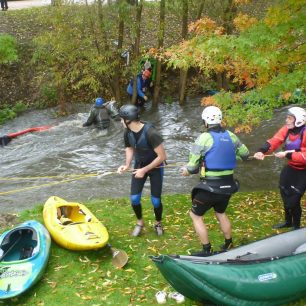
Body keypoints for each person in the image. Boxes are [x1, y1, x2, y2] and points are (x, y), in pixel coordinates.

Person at [181, 106, 249, 256]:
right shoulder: (231, 136)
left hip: (210, 188)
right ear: (220, 120)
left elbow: (192, 167)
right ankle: (229, 243)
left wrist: (186, 170)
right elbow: (245, 154)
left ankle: (207, 249)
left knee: (195, 216)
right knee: (220, 213)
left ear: (205, 122)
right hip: (228, 186)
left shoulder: (203, 138)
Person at [117, 104, 167, 237]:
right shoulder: (127, 132)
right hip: (139, 165)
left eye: (122, 119)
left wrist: (144, 170)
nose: (121, 121)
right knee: (134, 198)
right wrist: (127, 165)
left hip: (155, 167)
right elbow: (129, 148)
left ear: (128, 120)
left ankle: (158, 222)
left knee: (156, 200)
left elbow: (162, 156)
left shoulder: (151, 133)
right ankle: (140, 222)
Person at [254, 106, 306, 230]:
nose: (286, 120)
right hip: (291, 167)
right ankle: (288, 222)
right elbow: (275, 140)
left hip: (303, 171)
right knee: (284, 192)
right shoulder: (287, 129)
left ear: (298, 120)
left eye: (289, 118)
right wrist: (262, 151)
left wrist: (287, 154)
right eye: (287, 117)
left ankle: (296, 227)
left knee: (293, 200)